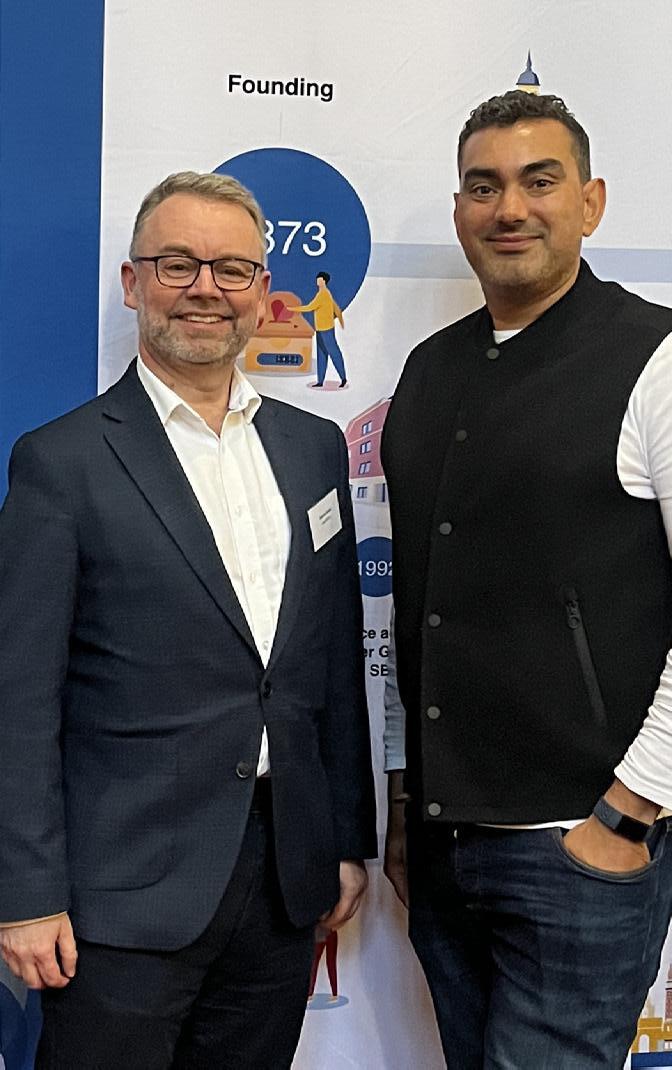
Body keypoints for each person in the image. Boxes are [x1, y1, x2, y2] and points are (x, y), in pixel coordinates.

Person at [0, 171, 376, 1070]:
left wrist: (344, 841)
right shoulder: (61, 462)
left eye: (231, 269)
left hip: (284, 886)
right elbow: (19, 699)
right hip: (118, 900)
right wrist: (25, 892)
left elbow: (329, 666)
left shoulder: (313, 449)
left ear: (263, 293)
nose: (206, 289)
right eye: (178, 265)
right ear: (133, 283)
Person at [381, 91, 672, 1068]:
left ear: (591, 202)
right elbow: (419, 609)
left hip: (582, 846)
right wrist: (402, 804)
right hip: (443, 849)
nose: (509, 207)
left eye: (539, 181)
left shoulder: (658, 359)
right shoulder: (427, 372)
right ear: (460, 209)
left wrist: (628, 813)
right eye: (484, 186)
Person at [289, 272, 347, 387]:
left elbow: (310, 307)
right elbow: (336, 308)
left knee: (333, 352)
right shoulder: (324, 293)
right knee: (321, 354)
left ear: (324, 281)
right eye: (317, 279)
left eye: (320, 279)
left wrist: (292, 309)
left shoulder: (323, 294)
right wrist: (340, 318)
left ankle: (343, 378)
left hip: (326, 329)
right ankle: (320, 381)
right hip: (319, 329)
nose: (317, 281)